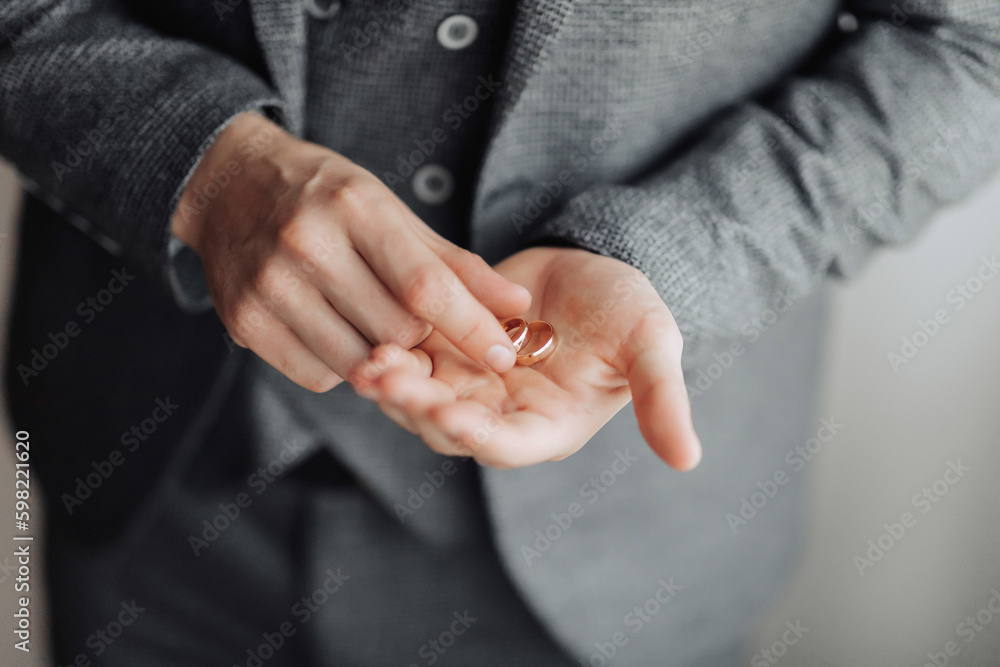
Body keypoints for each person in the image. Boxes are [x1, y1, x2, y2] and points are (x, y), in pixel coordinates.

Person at [2, 0, 998, 665]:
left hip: (617, 556)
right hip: (149, 478)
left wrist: (677, 256)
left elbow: (967, 42)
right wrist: (197, 162)